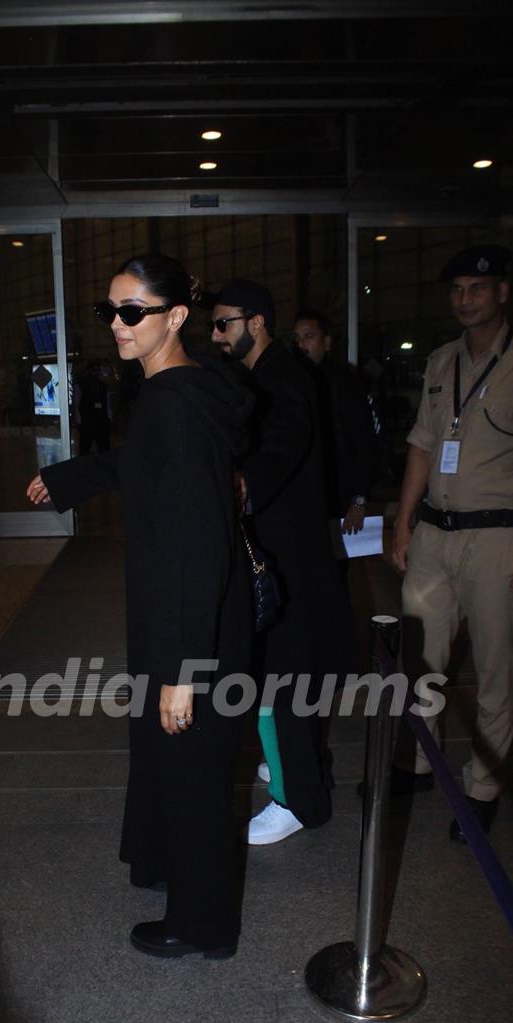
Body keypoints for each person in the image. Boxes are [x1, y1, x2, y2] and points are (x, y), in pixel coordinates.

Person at [27, 254, 252, 958]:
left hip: (191, 618)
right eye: (110, 310)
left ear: (176, 316)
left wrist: (182, 668)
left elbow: (198, 541)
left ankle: (203, 925)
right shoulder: (184, 387)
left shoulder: (175, 401)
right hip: (186, 608)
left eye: (133, 312)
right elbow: (141, 463)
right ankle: (163, 865)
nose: (117, 325)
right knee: (172, 757)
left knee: (193, 770)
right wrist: (71, 477)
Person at [392, 244, 513, 841]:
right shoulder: (441, 362)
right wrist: (403, 521)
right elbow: (421, 444)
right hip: (434, 533)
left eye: (477, 289)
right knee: (421, 661)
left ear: (502, 294)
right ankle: (418, 762)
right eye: (458, 289)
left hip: (496, 538)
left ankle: (484, 787)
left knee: (495, 671)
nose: (465, 299)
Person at [210, 280, 358, 846]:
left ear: (257, 322)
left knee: (284, 680)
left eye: (226, 324)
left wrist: (245, 488)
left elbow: (285, 444)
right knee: (275, 679)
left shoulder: (286, 375)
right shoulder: (258, 375)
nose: (218, 334)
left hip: (289, 559)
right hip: (273, 553)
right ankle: (294, 770)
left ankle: (300, 801)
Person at [292, 309, 378, 541]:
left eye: (308, 337)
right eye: (296, 338)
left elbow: (365, 443)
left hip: (337, 495)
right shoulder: (290, 384)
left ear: (326, 342)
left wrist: (359, 499)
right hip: (303, 498)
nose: (301, 344)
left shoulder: (346, 385)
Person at [74, 361, 111, 454]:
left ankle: (103, 465)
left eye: (98, 370)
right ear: (89, 371)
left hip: (101, 419)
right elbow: (76, 403)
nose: (96, 373)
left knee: (103, 446)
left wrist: (109, 417)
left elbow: (107, 403)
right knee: (85, 446)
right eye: (94, 370)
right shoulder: (81, 385)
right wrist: (79, 419)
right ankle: (83, 466)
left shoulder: (103, 386)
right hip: (87, 420)